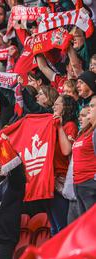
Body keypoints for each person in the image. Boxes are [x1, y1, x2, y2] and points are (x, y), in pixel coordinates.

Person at [51, 96, 78, 234]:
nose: (53, 107)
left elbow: (66, 150)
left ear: (66, 107)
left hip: (62, 180)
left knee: (62, 227)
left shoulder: (70, 126)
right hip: (51, 180)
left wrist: (60, 127)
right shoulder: (53, 126)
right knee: (54, 227)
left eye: (57, 104)